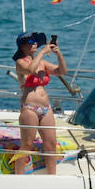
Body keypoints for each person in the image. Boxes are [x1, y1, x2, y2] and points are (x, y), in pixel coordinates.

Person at [14, 32, 65, 175]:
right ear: (23, 46)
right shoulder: (20, 62)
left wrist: (58, 54)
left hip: (46, 108)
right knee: (27, 144)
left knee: (50, 144)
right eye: (31, 41)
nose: (35, 43)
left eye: (36, 41)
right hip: (30, 108)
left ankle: (52, 177)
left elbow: (62, 71)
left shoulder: (42, 63)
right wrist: (43, 51)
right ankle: (18, 177)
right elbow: (30, 70)